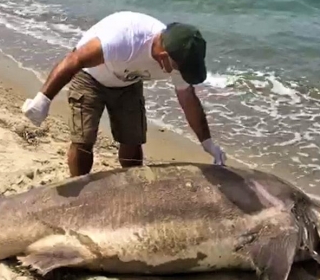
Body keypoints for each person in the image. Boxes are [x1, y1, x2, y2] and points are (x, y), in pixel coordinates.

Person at [21, 11, 226, 177]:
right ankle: (78, 186)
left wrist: (207, 143)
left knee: (132, 141)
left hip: (128, 82)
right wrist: (43, 99)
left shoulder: (179, 57)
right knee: (83, 141)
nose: (180, 74)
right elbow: (74, 60)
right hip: (90, 77)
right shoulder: (123, 41)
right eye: (179, 69)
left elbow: (188, 100)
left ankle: (130, 188)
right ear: (163, 57)